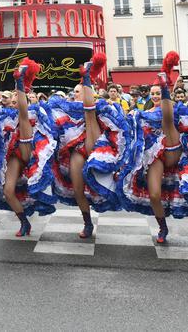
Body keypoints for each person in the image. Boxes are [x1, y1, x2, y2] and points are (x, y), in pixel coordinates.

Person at [118, 52, 188, 243]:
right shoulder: (143, 113)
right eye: (153, 93)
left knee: (167, 121)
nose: (155, 96)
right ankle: (162, 226)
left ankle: (165, 84)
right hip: (156, 154)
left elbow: (169, 115)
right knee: (154, 194)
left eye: (158, 92)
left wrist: (165, 86)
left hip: (173, 144)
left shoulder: (171, 107)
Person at [48, 52, 129, 238]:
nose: (78, 93)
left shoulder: (99, 104)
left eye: (82, 90)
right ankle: (87, 222)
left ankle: (86, 76)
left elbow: (103, 116)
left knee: (90, 114)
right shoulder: (65, 109)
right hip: (77, 150)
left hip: (95, 143)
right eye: (76, 91)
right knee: (78, 190)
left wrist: (86, 79)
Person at [0, 59, 56, 237]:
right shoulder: (2, 114)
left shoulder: (31, 111)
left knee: (23, 118)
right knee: (8, 191)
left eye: (18, 95)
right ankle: (24, 222)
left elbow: (23, 112)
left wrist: (19, 82)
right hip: (14, 154)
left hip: (29, 147)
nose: (15, 98)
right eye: (14, 96)